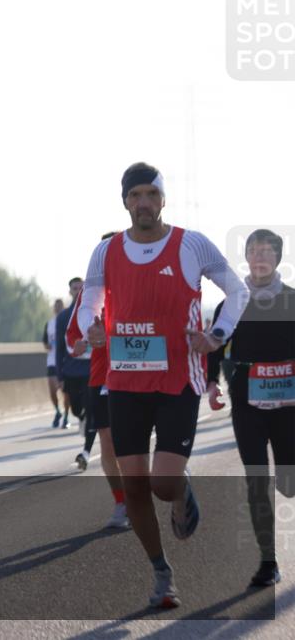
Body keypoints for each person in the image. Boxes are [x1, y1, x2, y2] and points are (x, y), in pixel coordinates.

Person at [79, 162, 249, 608]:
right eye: (135, 195)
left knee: (162, 482)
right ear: (125, 202)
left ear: (163, 200)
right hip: (125, 382)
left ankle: (179, 490)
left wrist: (216, 335)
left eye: (151, 194)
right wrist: (91, 327)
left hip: (178, 379)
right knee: (134, 485)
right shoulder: (106, 251)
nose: (143, 203)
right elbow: (89, 303)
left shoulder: (191, 244)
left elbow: (238, 292)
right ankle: (161, 572)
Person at [207, 228, 294, 587]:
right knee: (257, 480)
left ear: (277, 258)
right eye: (254, 251)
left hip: (289, 407)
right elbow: (215, 344)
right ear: (246, 257)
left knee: (288, 485)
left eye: (267, 252)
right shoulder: (232, 301)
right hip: (247, 407)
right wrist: (212, 384)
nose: (260, 258)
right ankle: (268, 561)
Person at [67, 232, 129, 529]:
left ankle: (170, 475)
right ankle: (122, 502)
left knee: (136, 443)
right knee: (108, 443)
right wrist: (79, 344)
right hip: (101, 377)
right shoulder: (89, 295)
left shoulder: (139, 284)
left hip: (140, 374)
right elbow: (72, 338)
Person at [54, 278, 91, 430]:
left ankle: (88, 425)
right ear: (70, 292)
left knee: (90, 402)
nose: (78, 291)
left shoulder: (93, 312)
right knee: (75, 408)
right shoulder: (63, 317)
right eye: (75, 288)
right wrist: (60, 376)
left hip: (90, 369)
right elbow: (59, 349)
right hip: (71, 371)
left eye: (81, 288)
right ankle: (81, 417)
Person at [44, 299, 68, 427]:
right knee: (52, 390)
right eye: (56, 306)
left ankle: (66, 416)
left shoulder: (67, 321)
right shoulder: (49, 324)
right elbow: (45, 342)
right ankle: (58, 411)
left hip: (65, 361)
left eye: (60, 306)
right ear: (54, 309)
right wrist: (49, 345)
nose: (58, 308)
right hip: (52, 361)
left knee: (65, 392)